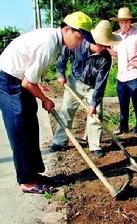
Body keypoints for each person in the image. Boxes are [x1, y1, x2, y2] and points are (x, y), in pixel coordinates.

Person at [0, 12, 94, 194]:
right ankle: (26, 182)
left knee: (30, 127)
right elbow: (28, 82)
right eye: (79, 37)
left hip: (19, 80)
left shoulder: (55, 43)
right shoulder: (48, 43)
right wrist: (45, 100)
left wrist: (41, 93)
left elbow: (31, 76)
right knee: (20, 131)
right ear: (67, 29)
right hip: (8, 82)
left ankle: (34, 174)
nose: (80, 42)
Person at [50, 20, 121, 157]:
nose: (103, 48)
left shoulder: (105, 59)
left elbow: (101, 82)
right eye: (101, 44)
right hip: (74, 82)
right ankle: (60, 141)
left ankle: (94, 145)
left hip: (92, 87)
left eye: (106, 45)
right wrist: (60, 73)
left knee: (96, 114)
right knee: (66, 111)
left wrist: (94, 104)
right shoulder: (78, 43)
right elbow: (63, 55)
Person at [109, 7, 137, 137]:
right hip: (121, 76)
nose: (123, 24)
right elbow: (115, 54)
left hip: (134, 76)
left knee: (136, 103)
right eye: (121, 22)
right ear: (119, 22)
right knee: (123, 104)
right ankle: (123, 128)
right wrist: (107, 47)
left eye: (126, 22)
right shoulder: (117, 37)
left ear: (130, 21)